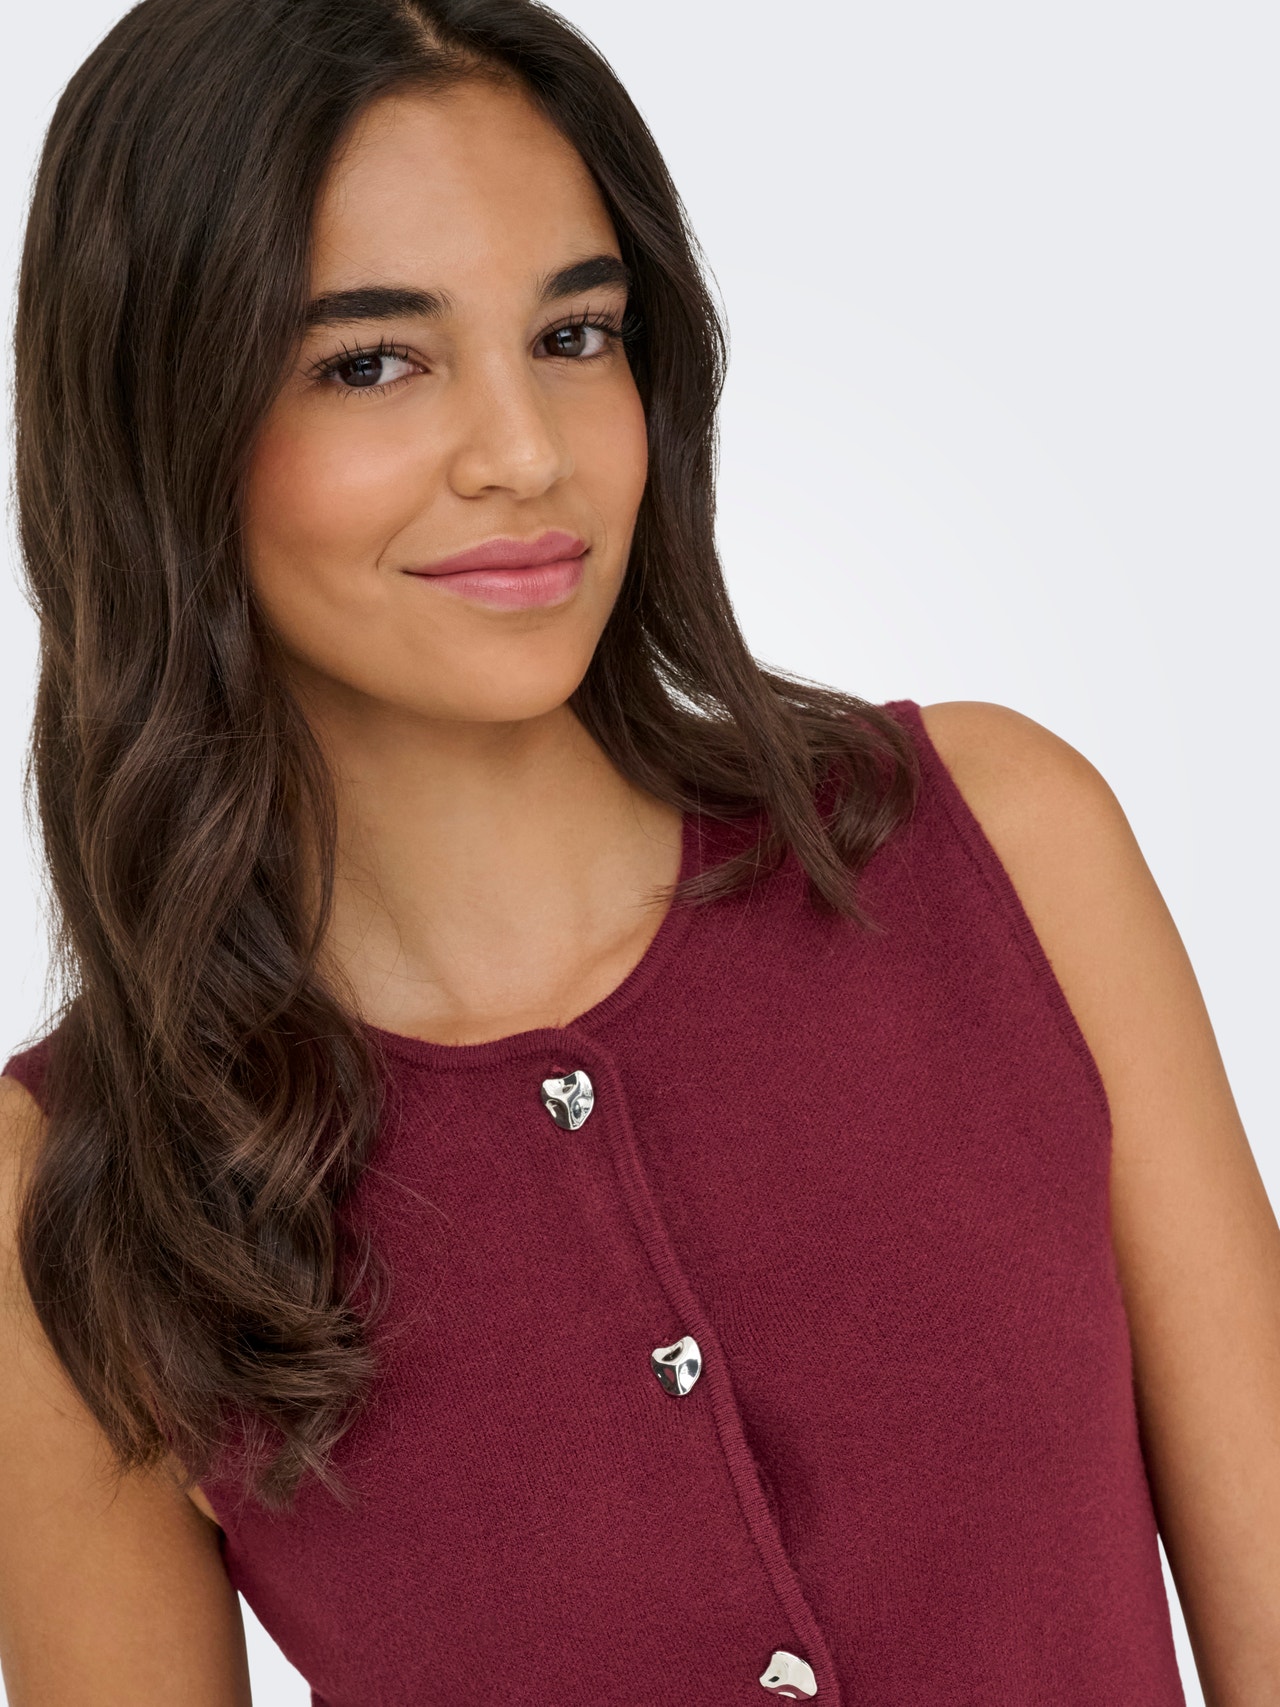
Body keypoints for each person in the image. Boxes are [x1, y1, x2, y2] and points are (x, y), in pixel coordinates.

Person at [0, 0, 1275, 1701]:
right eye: (370, 361)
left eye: (576, 335)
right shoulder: (75, 1191)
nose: (526, 453)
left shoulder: (998, 846)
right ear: (156, 428)